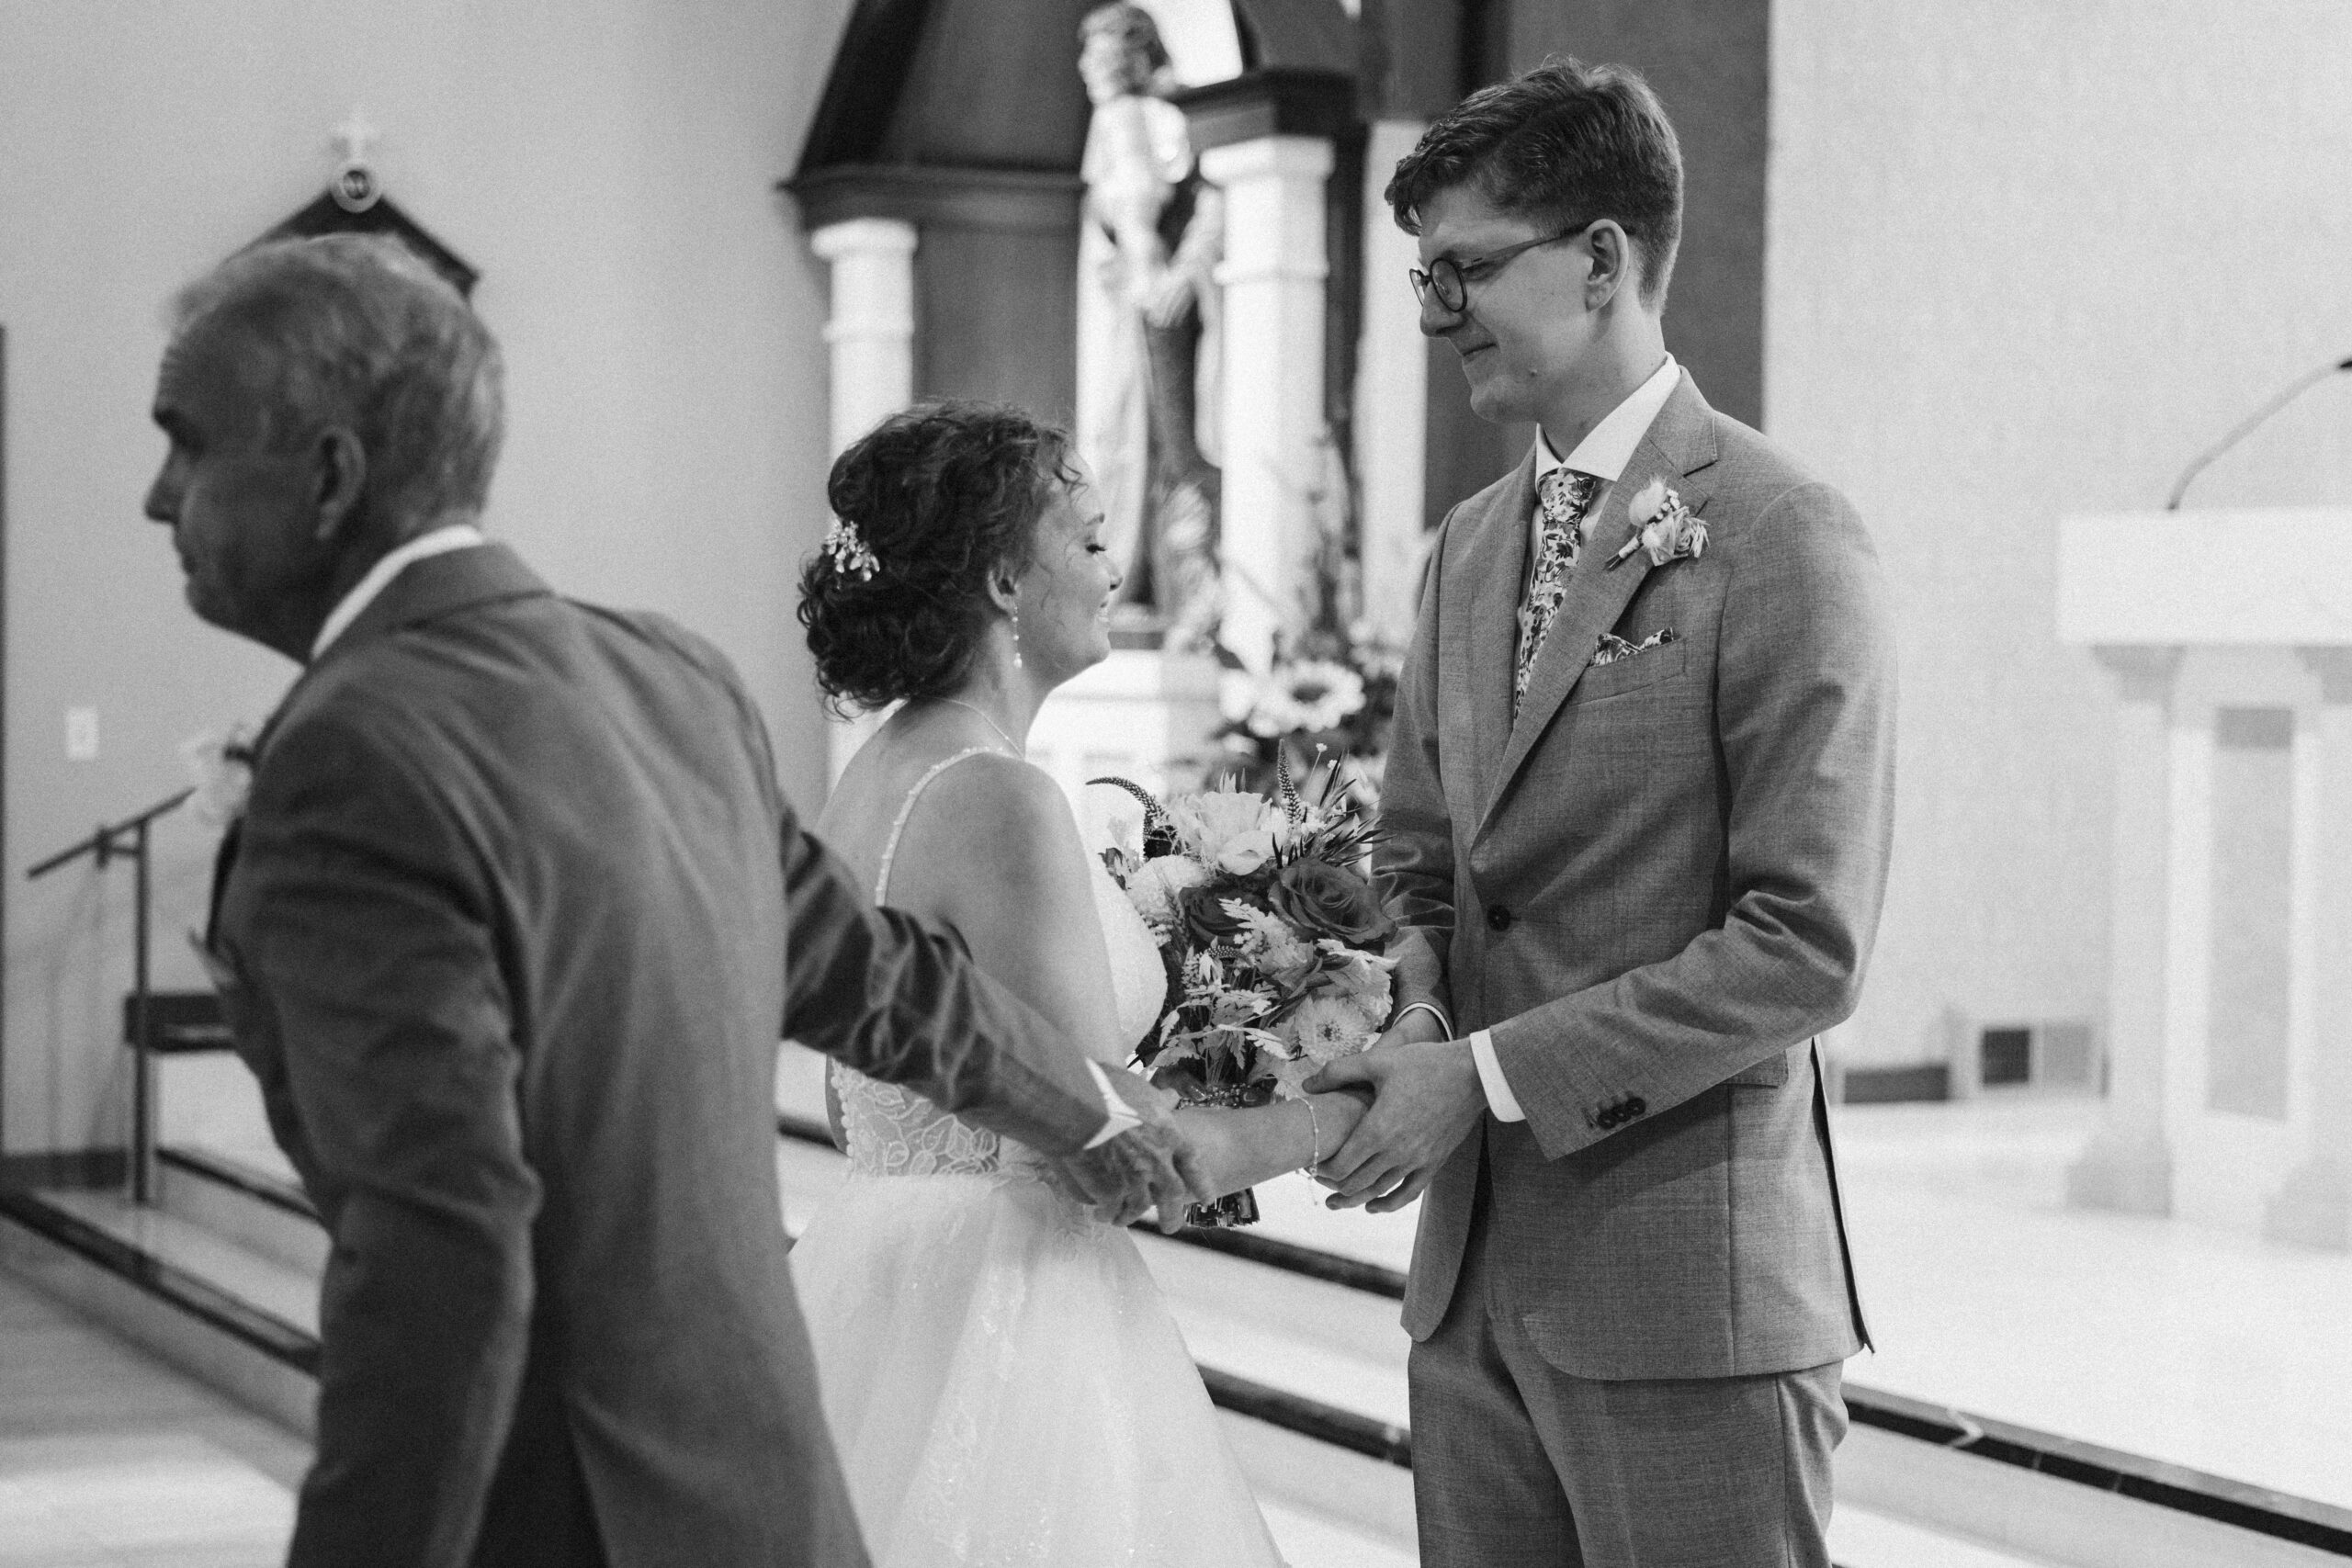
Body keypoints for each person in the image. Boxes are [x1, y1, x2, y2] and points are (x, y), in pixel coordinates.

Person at [149, 233, 1209, 1568]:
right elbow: (880, 979)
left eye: (185, 443)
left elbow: (443, 1253)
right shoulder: (663, 675)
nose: (155, 495)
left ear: (328, 476)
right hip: (755, 1495)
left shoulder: (350, 752)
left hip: (555, 1506)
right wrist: (1092, 1117)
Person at [1305, 60, 1897, 1567]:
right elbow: (1420, 852)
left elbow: (1802, 945)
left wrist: (1489, 1076)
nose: (1437, 316)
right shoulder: (1466, 545)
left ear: (1603, 257)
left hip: (1681, 1296)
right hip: (1471, 1287)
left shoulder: (1779, 532)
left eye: (1466, 270)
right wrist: (1408, 1005)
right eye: (1423, 274)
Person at [788, 400, 1363, 1566]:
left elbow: (852, 1104)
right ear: (1005, 579)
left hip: (880, 1267)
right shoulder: (998, 794)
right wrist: (1346, 1106)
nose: (1117, 573)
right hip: (1007, 1303)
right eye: (1094, 542)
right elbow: (1117, 1152)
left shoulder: (879, 774)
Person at [1075, 0, 1223, 640]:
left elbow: (1140, 207)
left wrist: (1168, 276)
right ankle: (1161, 584)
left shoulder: (1131, 118)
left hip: (1149, 310)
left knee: (1161, 442)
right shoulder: (1148, 119)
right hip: (1138, 305)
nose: (1087, 67)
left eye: (1102, 54)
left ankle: (1169, 583)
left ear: (1135, 59)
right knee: (1143, 442)